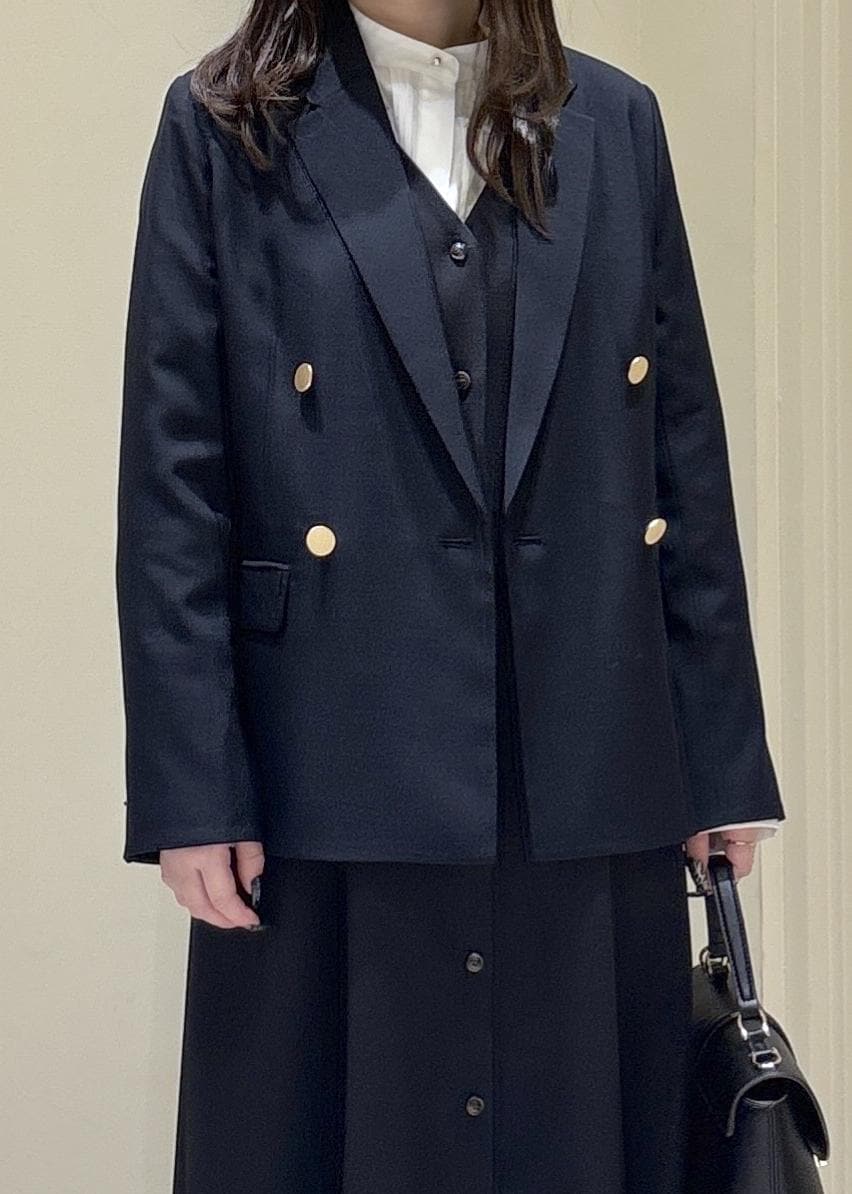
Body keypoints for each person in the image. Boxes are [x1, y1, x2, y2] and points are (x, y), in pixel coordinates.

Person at [115, 0, 786, 1190]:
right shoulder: (224, 129)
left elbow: (683, 451)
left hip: (587, 762)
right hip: (325, 763)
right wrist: (192, 786)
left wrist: (722, 757)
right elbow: (178, 480)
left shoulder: (616, 122)